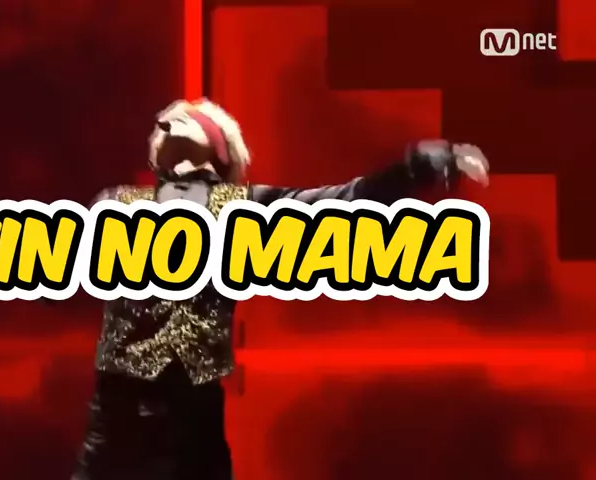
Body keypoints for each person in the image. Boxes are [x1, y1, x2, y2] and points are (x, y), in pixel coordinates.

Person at [71, 99, 490, 480]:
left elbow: (342, 204)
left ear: (220, 153)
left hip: (185, 433)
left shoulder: (237, 210)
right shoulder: (116, 205)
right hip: (119, 429)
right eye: (169, 122)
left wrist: (418, 166)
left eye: (190, 121)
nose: (175, 119)